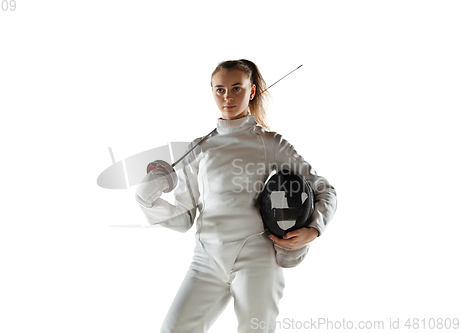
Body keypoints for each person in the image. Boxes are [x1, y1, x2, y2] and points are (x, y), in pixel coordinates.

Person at [135, 59, 337, 333]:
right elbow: (184, 218)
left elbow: (324, 188)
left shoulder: (270, 144)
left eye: (236, 88)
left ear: (251, 91)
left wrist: (314, 229)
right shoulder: (199, 148)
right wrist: (148, 201)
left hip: (256, 257)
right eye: (219, 90)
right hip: (206, 259)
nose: (227, 97)